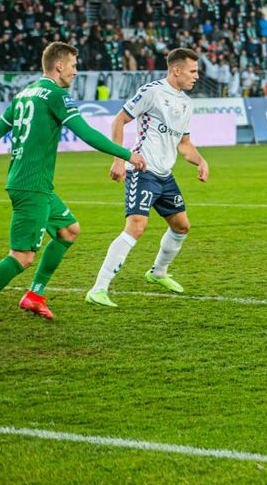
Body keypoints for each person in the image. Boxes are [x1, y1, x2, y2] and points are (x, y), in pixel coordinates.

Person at [0, 42, 146, 333]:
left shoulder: (24, 94)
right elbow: (85, 133)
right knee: (22, 256)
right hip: (31, 186)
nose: (76, 71)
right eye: (74, 65)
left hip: (32, 183)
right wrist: (127, 154)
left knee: (68, 231)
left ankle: (34, 295)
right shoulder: (57, 95)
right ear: (59, 65)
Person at [86, 49, 209, 308]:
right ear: (176, 70)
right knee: (137, 226)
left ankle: (158, 273)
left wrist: (200, 161)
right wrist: (119, 159)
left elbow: (184, 144)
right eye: (192, 71)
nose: (196, 76)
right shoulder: (152, 92)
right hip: (142, 171)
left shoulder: (186, 103)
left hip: (165, 175)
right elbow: (119, 122)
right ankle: (99, 288)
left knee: (181, 226)